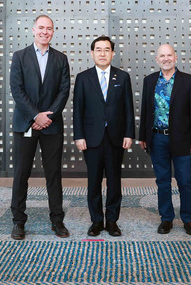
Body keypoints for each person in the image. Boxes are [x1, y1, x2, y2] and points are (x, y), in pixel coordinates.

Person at [9, 15, 71, 240]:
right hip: (25, 123)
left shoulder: (61, 59)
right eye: (41, 28)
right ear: (33, 29)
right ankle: (18, 221)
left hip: (51, 126)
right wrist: (35, 115)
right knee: (21, 174)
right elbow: (16, 90)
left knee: (53, 174)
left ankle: (57, 220)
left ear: (53, 32)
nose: (45, 32)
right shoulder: (19, 57)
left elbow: (64, 91)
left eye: (50, 29)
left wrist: (47, 118)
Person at [73, 36, 135, 237]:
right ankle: (96, 221)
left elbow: (128, 108)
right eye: (98, 50)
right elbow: (78, 110)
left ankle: (112, 221)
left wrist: (129, 133)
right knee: (94, 181)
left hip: (116, 137)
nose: (102, 53)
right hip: (91, 138)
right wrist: (79, 136)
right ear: (92, 53)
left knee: (114, 181)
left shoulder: (122, 77)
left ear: (112, 53)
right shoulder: (83, 78)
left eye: (106, 50)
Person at [138, 44, 191, 235]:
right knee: (163, 181)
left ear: (175, 58)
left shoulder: (189, 81)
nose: (166, 59)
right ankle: (166, 219)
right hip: (157, 138)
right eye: (162, 56)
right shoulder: (149, 81)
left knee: (184, 181)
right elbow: (145, 110)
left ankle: (188, 220)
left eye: (169, 55)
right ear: (157, 59)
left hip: (182, 139)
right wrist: (143, 135)